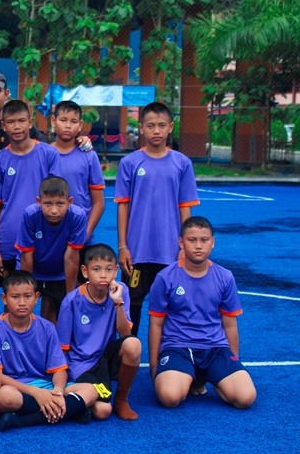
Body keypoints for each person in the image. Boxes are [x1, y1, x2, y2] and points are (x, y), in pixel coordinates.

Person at [149, 217, 256, 410]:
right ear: (181, 242)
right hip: (178, 346)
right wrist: (154, 368)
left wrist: (233, 361)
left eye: (204, 240)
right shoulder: (165, 278)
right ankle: (189, 378)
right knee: (169, 397)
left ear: (212, 242)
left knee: (246, 398)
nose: (198, 246)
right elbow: (156, 324)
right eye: (192, 240)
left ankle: (211, 378)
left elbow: (230, 324)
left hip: (215, 348)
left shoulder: (225, 277)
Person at [115, 102, 200, 336]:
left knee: (171, 306)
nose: (156, 131)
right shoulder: (129, 163)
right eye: (150, 125)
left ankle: (169, 353)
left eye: (161, 125)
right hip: (137, 252)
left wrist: (184, 245)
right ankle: (128, 351)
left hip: (170, 251)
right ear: (141, 128)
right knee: (131, 303)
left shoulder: (182, 163)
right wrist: (123, 246)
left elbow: (185, 208)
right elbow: (123, 207)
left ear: (170, 127)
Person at [0, 271, 99, 431]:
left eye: (27, 296)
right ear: (4, 298)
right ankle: (70, 411)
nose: (22, 302)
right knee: (4, 398)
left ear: (36, 297)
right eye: (15, 297)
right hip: (14, 387)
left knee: (91, 390)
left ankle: (21, 421)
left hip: (44, 385)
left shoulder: (47, 328)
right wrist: (36, 393)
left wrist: (58, 391)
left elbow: (59, 369)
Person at [0, 100, 61, 312]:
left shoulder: (49, 155)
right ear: (3, 126)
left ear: (30, 122)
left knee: (50, 301)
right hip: (10, 242)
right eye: (11, 122)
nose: (17, 127)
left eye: (21, 121)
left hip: (45, 241)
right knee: (14, 302)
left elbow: (57, 198)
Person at [57, 244, 141, 420]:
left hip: (105, 357)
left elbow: (125, 334)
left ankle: (121, 399)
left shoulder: (121, 291)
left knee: (133, 344)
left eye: (109, 269)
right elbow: (62, 349)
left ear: (116, 271)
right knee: (103, 411)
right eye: (96, 269)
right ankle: (74, 394)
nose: (103, 275)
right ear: (85, 271)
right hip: (81, 364)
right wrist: (61, 383)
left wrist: (117, 303)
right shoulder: (71, 302)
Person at [16, 176, 86, 324]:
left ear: (70, 201)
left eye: (60, 203)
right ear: (38, 201)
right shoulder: (30, 215)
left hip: (59, 273)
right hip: (32, 268)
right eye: (48, 203)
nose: (54, 210)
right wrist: (25, 291)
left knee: (57, 319)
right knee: (17, 311)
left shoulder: (78, 216)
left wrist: (70, 295)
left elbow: (71, 257)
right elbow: (27, 255)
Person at [49, 100, 105, 247]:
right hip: (49, 236)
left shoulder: (89, 156)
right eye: (63, 120)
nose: (68, 125)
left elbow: (99, 202)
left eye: (73, 121)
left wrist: (85, 234)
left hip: (80, 235)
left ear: (80, 125)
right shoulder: (43, 154)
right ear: (53, 121)